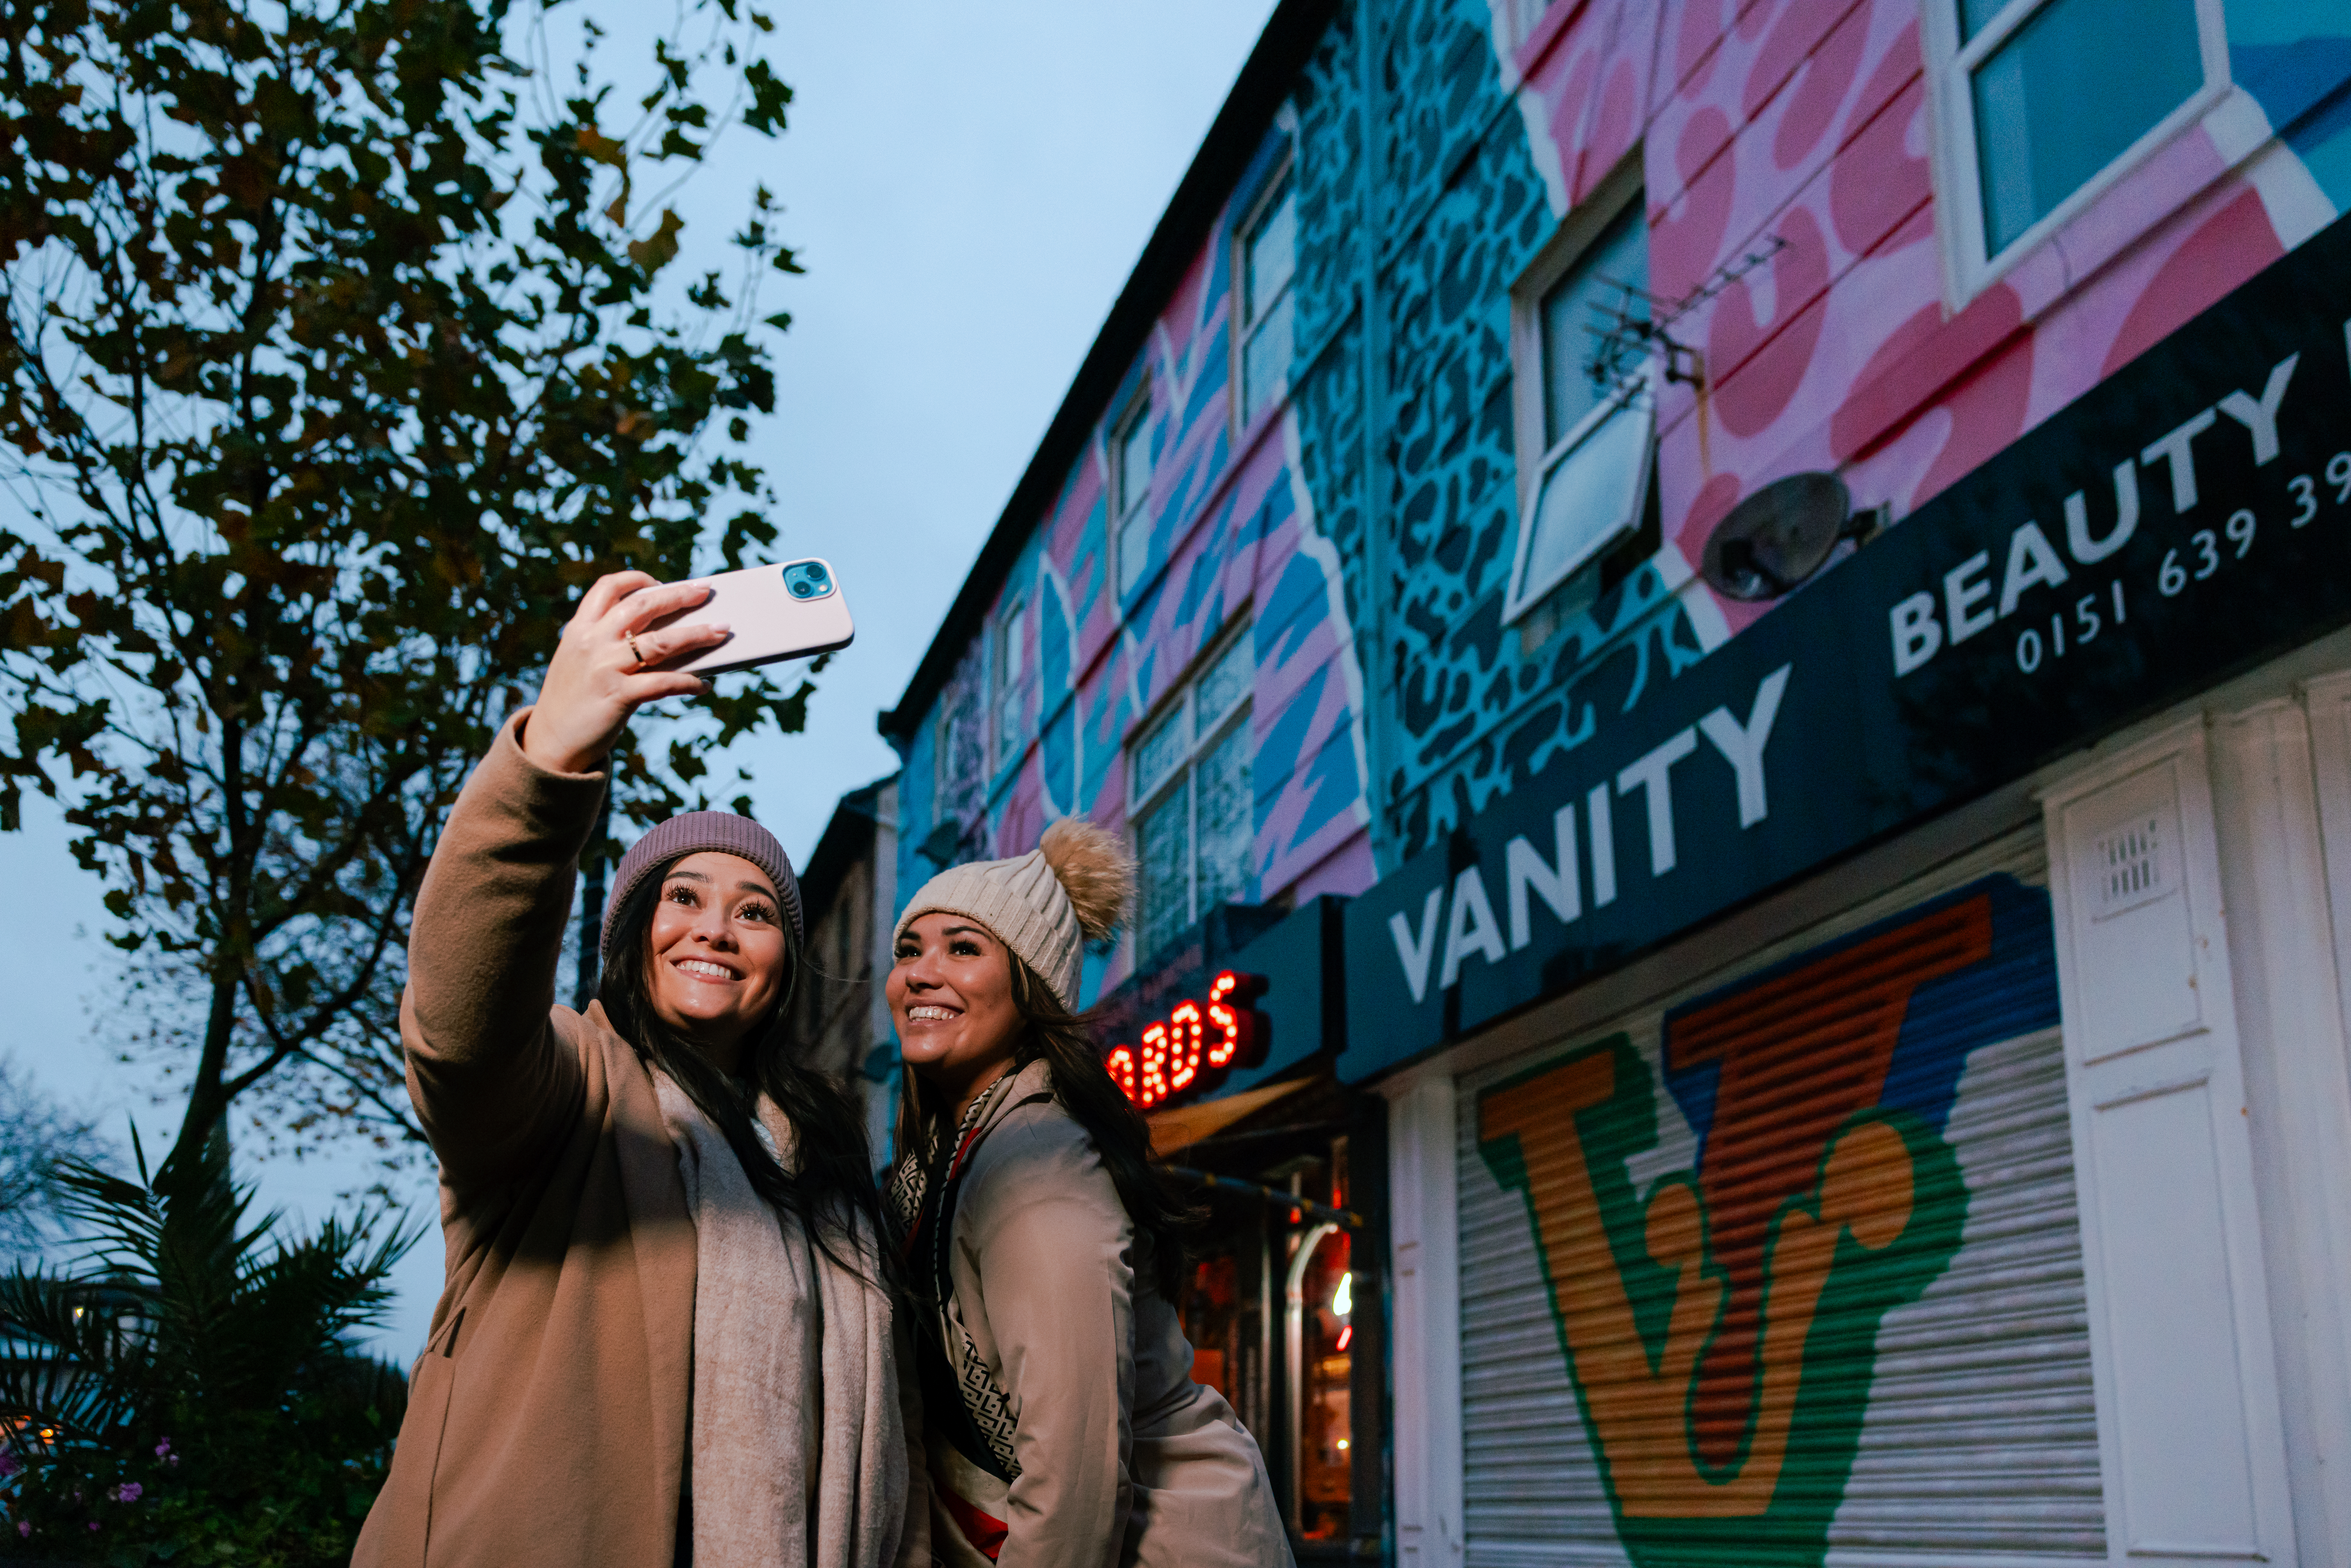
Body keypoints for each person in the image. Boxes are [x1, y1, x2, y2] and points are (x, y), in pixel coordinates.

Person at [356, 571, 924, 1568]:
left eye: (755, 913)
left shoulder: (825, 1169)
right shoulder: (567, 1089)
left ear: (783, 966)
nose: (716, 926)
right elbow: (460, 1022)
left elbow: (891, 1451)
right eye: (684, 897)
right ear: (631, 936)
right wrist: (550, 762)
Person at [885, 823, 1294, 1568]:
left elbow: (1076, 1468)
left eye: (964, 948)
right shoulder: (950, 1158)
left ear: (1030, 989)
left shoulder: (1032, 1162)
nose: (920, 972)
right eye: (909, 950)